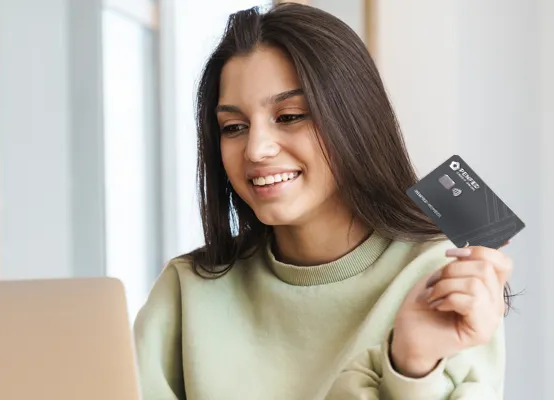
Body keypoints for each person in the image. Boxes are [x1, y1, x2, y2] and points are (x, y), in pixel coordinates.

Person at [133, 3, 513, 399]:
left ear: (355, 120)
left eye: (290, 115)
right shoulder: (188, 290)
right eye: (234, 127)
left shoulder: (444, 274)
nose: (256, 148)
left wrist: (411, 365)